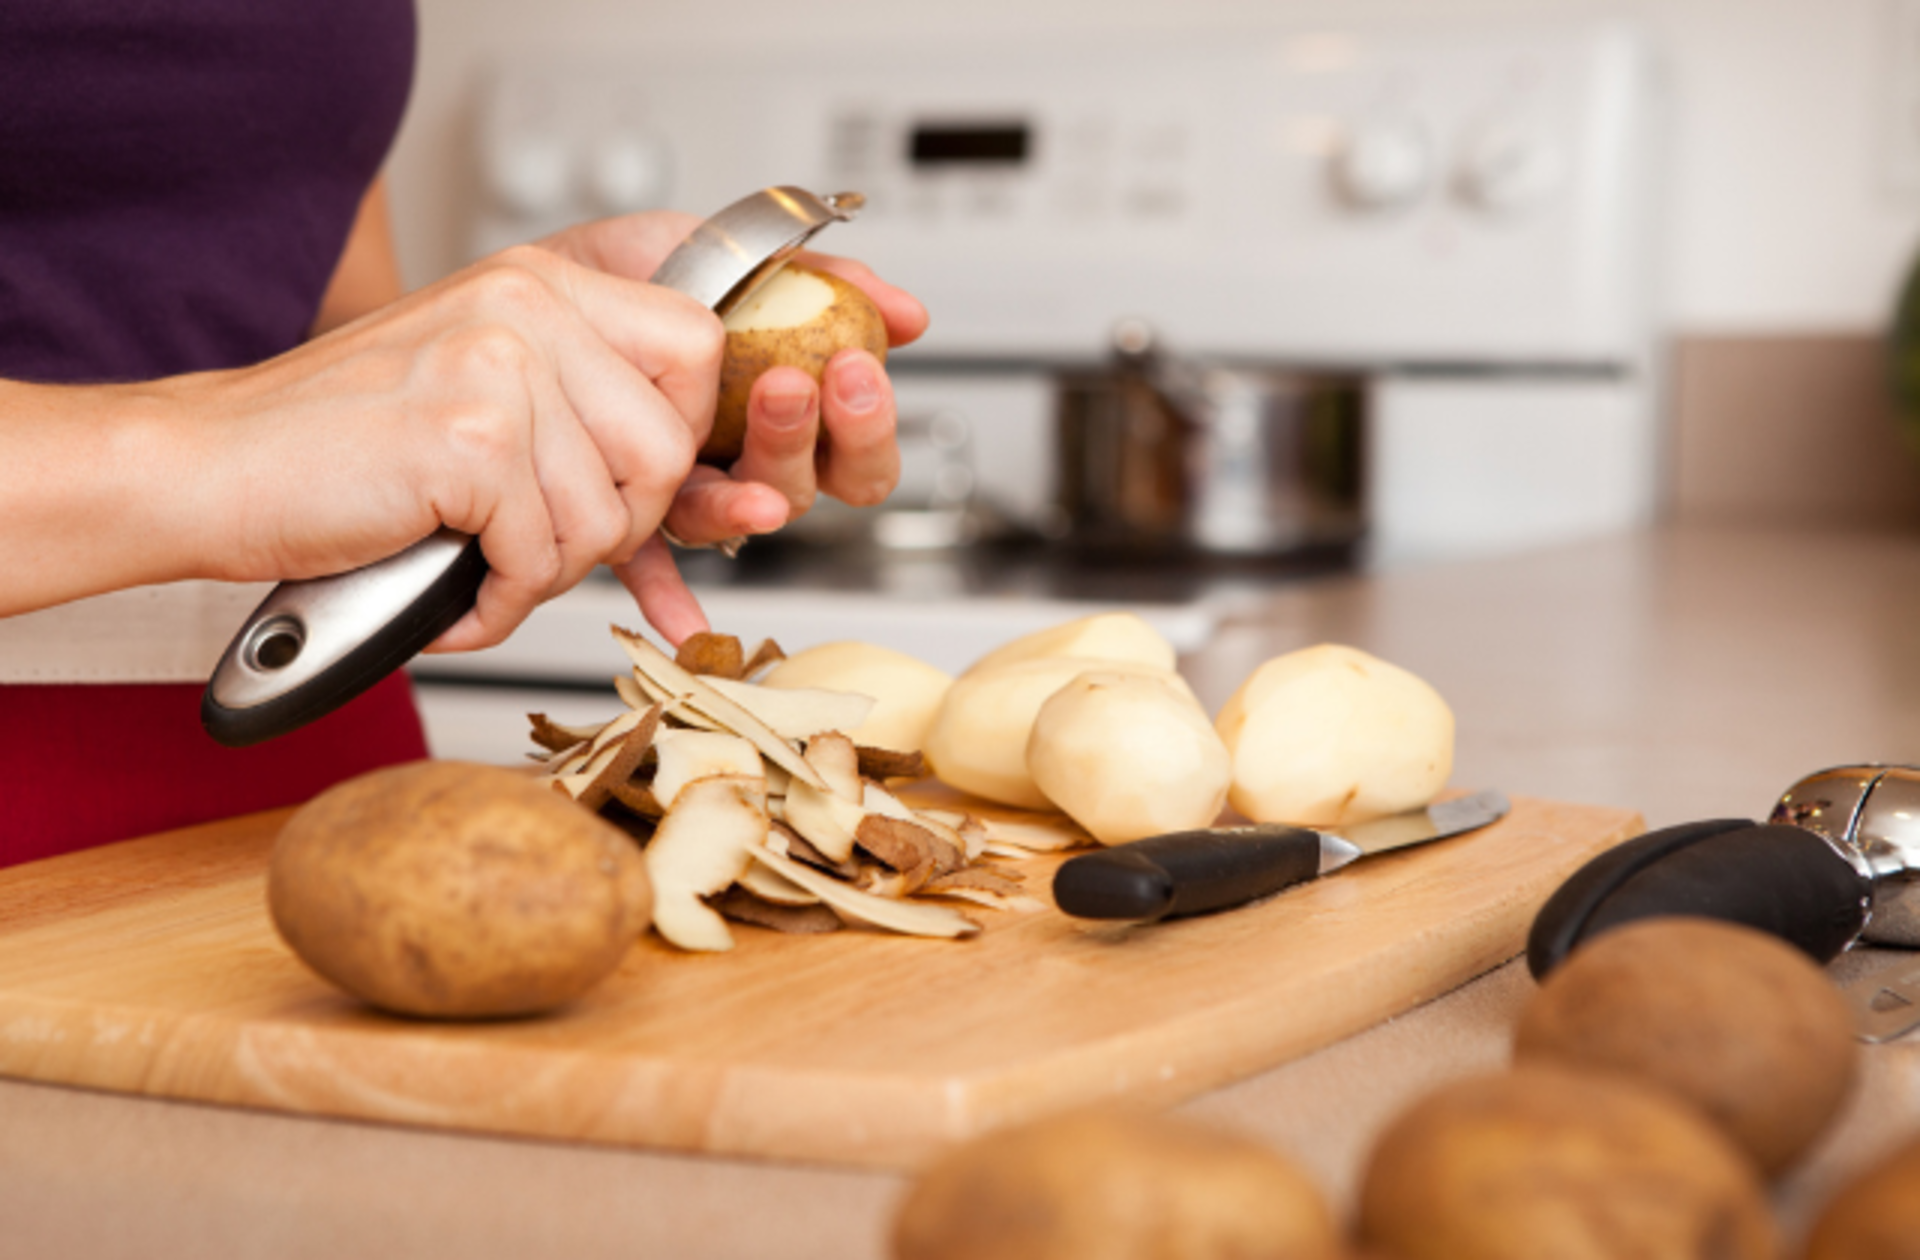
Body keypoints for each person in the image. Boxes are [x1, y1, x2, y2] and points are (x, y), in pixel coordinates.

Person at [0, 0, 929, 865]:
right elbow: (255, 419)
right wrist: (209, 451)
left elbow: (307, 286)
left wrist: (510, 375)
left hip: (321, 750)